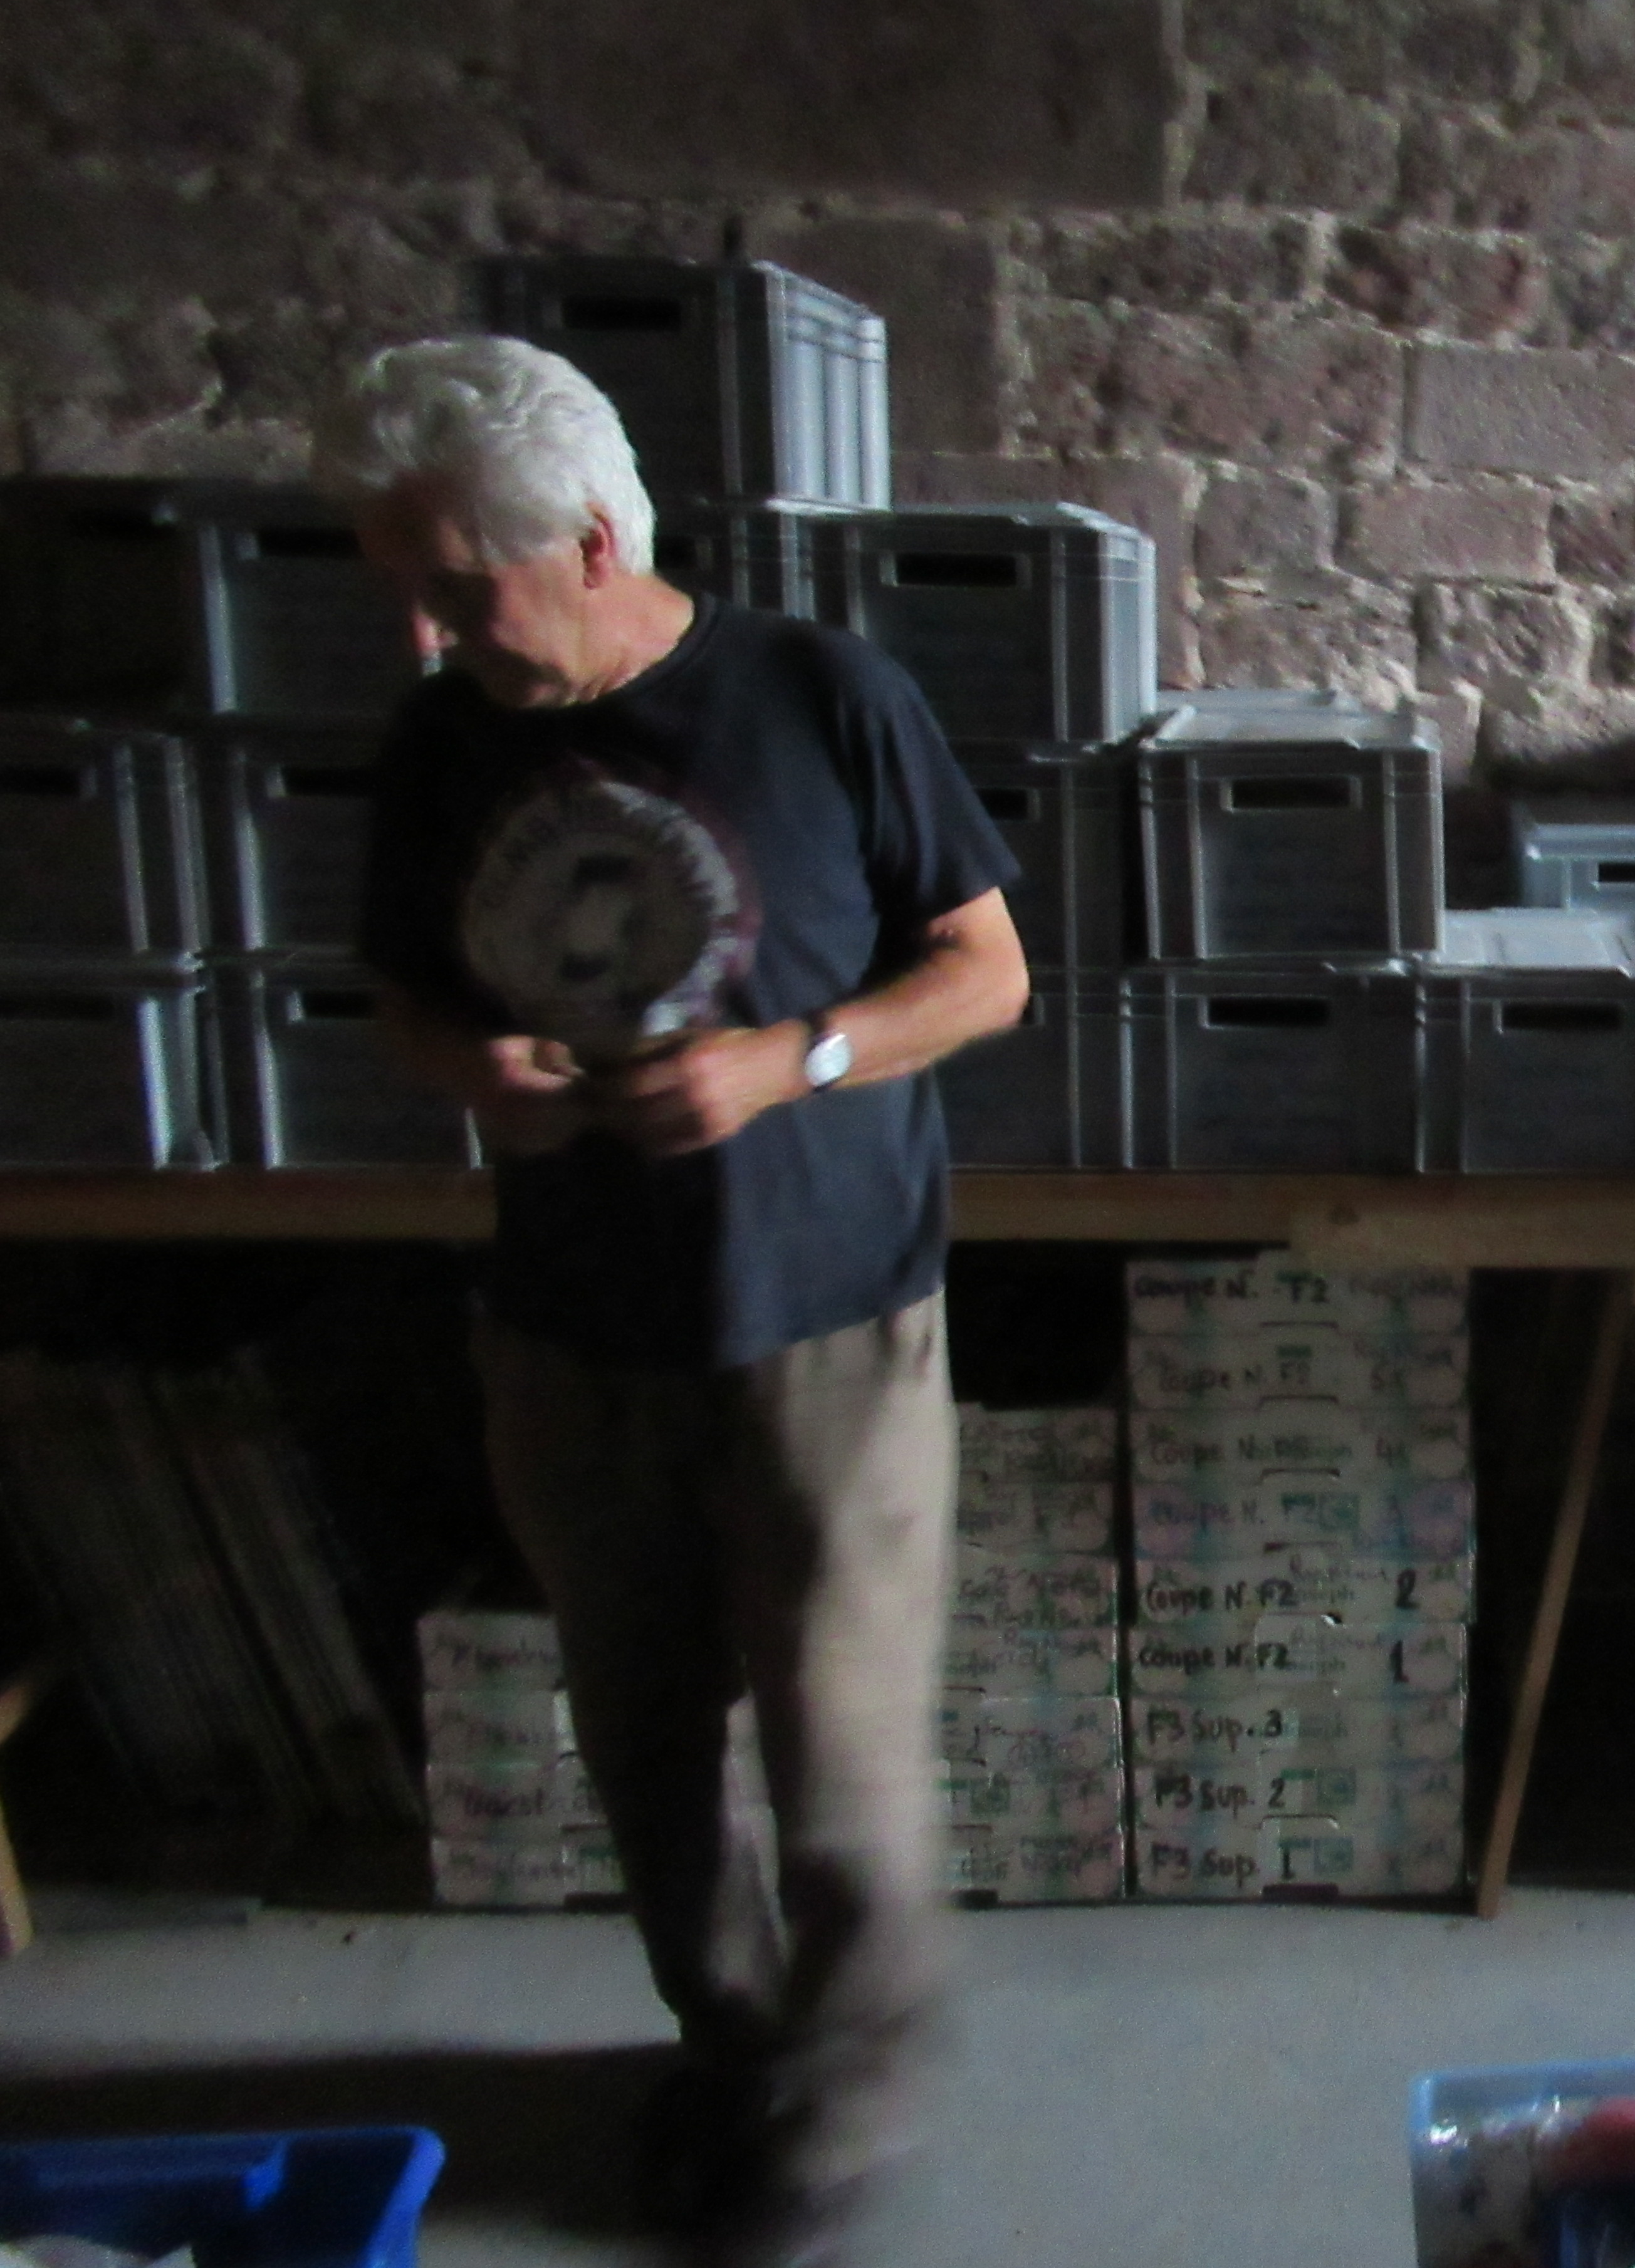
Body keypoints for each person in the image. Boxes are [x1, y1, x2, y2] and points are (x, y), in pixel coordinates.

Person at [314, 336, 1029, 2268]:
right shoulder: (444, 739)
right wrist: (471, 1070)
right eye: (399, 586)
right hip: (572, 1331)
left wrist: (791, 1061)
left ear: (594, 539)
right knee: (644, 1756)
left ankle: (843, 2117)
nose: (422, 632)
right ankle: (734, 2057)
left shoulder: (818, 695)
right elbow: (403, 999)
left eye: (456, 584)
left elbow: (987, 973)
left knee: (842, 1771)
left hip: (827, 1325)